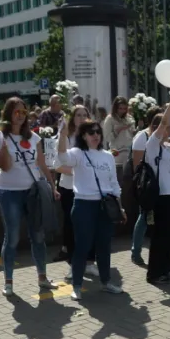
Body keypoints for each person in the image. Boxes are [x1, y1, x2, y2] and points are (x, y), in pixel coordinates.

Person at [0, 97, 54, 294]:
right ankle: (8, 281)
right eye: (16, 112)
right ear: (8, 113)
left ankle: (42, 277)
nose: (20, 115)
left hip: (33, 192)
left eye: (23, 112)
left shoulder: (34, 138)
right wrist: (3, 143)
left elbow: (42, 165)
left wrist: (53, 186)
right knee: (12, 237)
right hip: (10, 193)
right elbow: (5, 166)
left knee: (38, 235)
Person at [59, 117, 124, 301]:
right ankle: (77, 286)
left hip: (105, 205)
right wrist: (62, 135)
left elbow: (114, 183)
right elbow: (62, 157)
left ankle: (106, 282)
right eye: (91, 132)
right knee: (82, 246)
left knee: (104, 246)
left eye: (98, 132)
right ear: (84, 136)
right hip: (83, 205)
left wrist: (120, 206)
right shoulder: (78, 153)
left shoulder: (107, 156)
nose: (95, 135)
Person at [141, 93, 170, 283]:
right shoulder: (151, 145)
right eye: (165, 127)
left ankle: (166, 269)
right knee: (159, 236)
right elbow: (163, 122)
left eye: (169, 127)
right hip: (159, 196)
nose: (168, 129)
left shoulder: (167, 146)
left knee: (169, 234)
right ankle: (154, 273)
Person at [54, 105, 94, 271]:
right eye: (78, 115)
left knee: (90, 225)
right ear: (72, 118)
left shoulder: (93, 136)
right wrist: (78, 171)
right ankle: (73, 263)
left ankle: (90, 262)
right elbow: (57, 165)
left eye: (85, 115)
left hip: (88, 189)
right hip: (69, 188)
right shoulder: (65, 138)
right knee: (71, 226)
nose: (82, 118)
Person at [128, 107, 161, 264]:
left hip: (160, 183)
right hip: (147, 184)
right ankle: (136, 252)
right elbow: (137, 166)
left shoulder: (161, 137)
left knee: (158, 219)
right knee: (143, 218)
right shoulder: (142, 137)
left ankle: (159, 250)